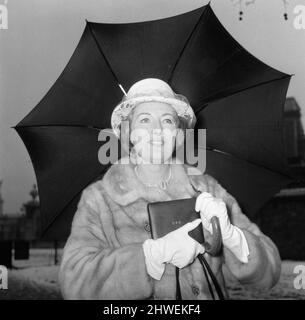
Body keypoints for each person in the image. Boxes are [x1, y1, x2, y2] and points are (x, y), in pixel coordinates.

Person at [59, 78, 281, 300]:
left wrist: (232, 236)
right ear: (129, 133)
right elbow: (74, 281)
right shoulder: (99, 199)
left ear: (178, 133)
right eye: (145, 120)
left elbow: (270, 271)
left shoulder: (207, 189)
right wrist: (151, 257)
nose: (157, 130)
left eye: (167, 120)